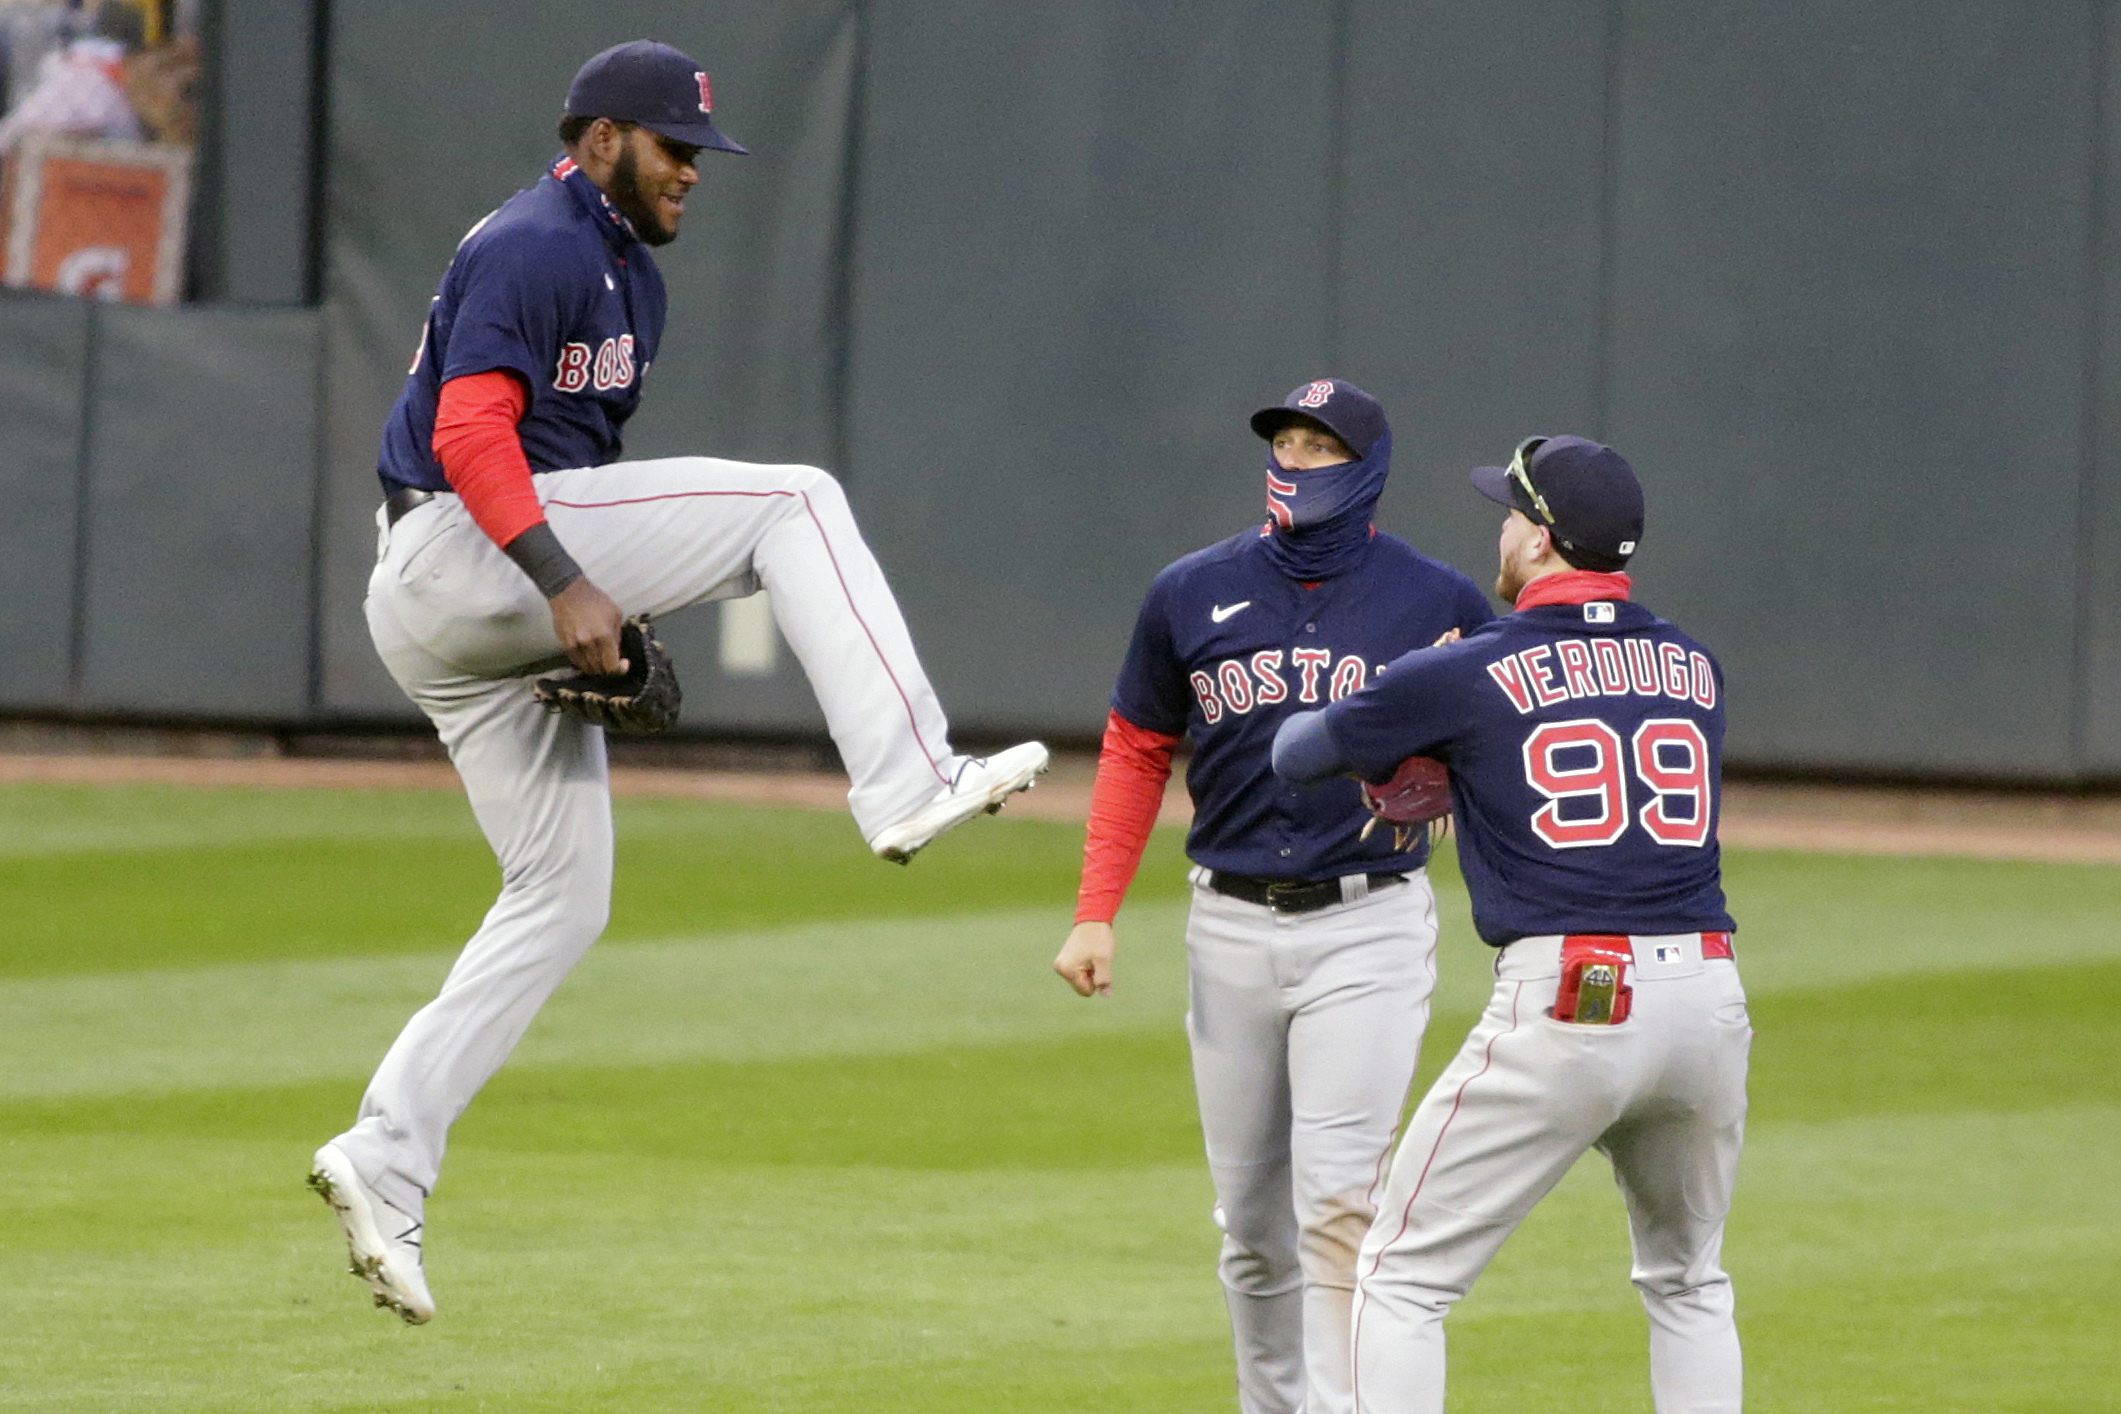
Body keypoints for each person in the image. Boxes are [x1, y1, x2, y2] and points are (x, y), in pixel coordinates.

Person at [308, 39, 1048, 1325]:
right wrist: (565, 585)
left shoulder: (628, 277)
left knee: (564, 894)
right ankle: (907, 776)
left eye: (700, 153)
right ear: (598, 139)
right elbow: (470, 432)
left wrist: (598, 615)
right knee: (793, 502)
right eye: (671, 147)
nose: (693, 172)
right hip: (459, 543)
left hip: (462, 592)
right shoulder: (537, 242)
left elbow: (594, 492)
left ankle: (385, 1156)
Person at [1271, 436, 1748, 1413]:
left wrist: (1410, 695)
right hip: (1707, 995)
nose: (1499, 523)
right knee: (1690, 1282)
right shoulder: (1695, 666)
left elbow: (1295, 750)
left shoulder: (1467, 669)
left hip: (1576, 997)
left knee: (1400, 1276)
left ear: (1538, 538)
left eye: (1509, 509)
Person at [1053, 380, 1493, 1414]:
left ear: (1369, 467)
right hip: (1230, 926)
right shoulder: (1189, 590)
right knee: (1252, 1231)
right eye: (1285, 439)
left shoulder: (1440, 603)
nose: (1295, 460)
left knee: (1338, 1208)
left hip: (1369, 925)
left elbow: (1498, 754)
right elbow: (1135, 749)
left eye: (1320, 446)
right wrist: (1094, 907)